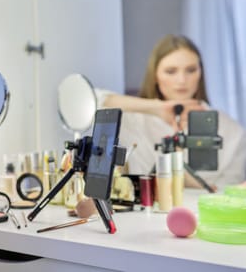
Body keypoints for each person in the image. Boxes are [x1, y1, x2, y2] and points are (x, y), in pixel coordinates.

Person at [96, 34, 246, 189]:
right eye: (170, 71)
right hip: (143, 212)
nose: (181, 80)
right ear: (155, 75)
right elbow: (85, 101)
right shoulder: (132, 121)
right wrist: (156, 108)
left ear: (200, 73)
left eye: (191, 70)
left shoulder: (232, 131)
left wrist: (190, 180)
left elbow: (231, 196)